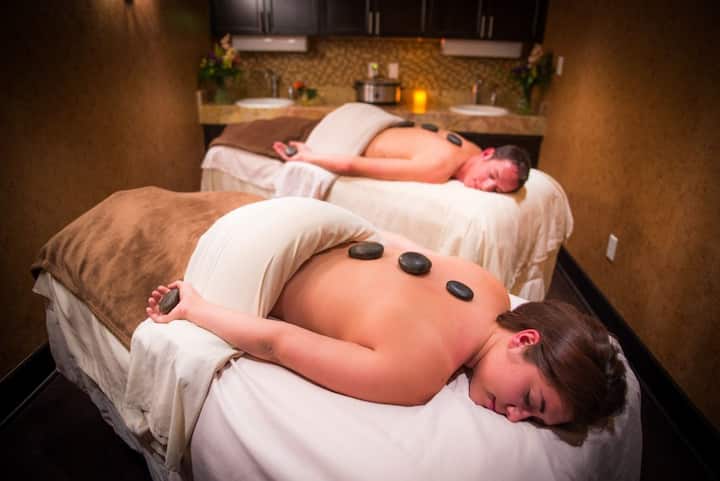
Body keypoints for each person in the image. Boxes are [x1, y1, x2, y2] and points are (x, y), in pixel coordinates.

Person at [146, 232, 626, 428]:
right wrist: (194, 308)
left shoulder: (491, 288)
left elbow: (392, 245)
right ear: (524, 340)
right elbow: (278, 343)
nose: (516, 417)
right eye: (532, 400)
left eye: (534, 419)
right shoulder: (415, 375)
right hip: (260, 252)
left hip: (309, 230)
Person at [272, 126, 531, 194]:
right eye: (492, 176)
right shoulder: (438, 167)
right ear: (487, 154)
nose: (486, 187)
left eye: (496, 190)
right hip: (350, 133)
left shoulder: (472, 149)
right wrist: (307, 156)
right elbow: (352, 165)